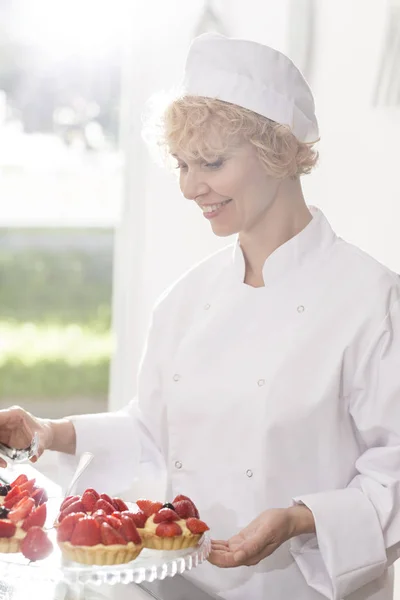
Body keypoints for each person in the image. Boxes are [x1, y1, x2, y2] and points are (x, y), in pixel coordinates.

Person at [0, 33, 400, 600]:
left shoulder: (371, 300)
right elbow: (154, 432)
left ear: (279, 152)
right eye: (184, 165)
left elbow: (395, 471)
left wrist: (300, 518)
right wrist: (48, 432)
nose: (191, 187)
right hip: (176, 584)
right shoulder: (187, 300)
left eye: (211, 162)